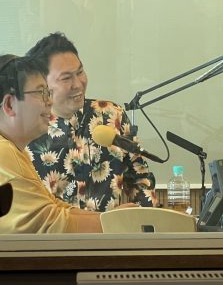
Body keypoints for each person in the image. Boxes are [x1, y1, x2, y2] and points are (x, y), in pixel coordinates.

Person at [0, 54, 103, 233]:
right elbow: (50, 228)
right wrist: (114, 225)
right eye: (41, 93)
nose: (50, 101)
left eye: (48, 92)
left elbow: (53, 209)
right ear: (9, 105)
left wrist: (110, 219)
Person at [26, 32, 157, 211]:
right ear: (43, 85)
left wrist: (139, 214)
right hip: (55, 228)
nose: (78, 83)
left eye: (80, 72)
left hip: (110, 228)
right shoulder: (28, 131)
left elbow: (141, 177)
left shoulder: (112, 115)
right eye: (66, 78)